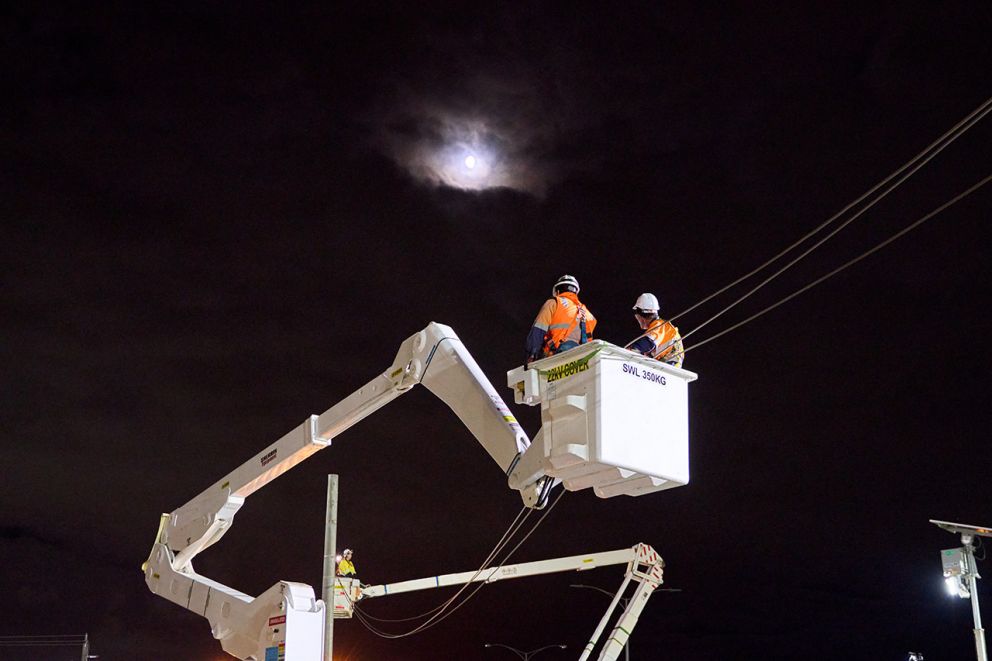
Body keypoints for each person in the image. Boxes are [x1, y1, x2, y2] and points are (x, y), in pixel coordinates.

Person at [525, 275, 597, 364]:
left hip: (556, 359)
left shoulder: (554, 302)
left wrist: (532, 354)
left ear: (557, 291)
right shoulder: (589, 315)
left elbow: (538, 330)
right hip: (582, 362)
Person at [626, 293, 684, 368]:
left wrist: (630, 350)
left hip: (670, 364)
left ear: (641, 315)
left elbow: (648, 343)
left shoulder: (659, 325)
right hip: (669, 364)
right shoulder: (663, 326)